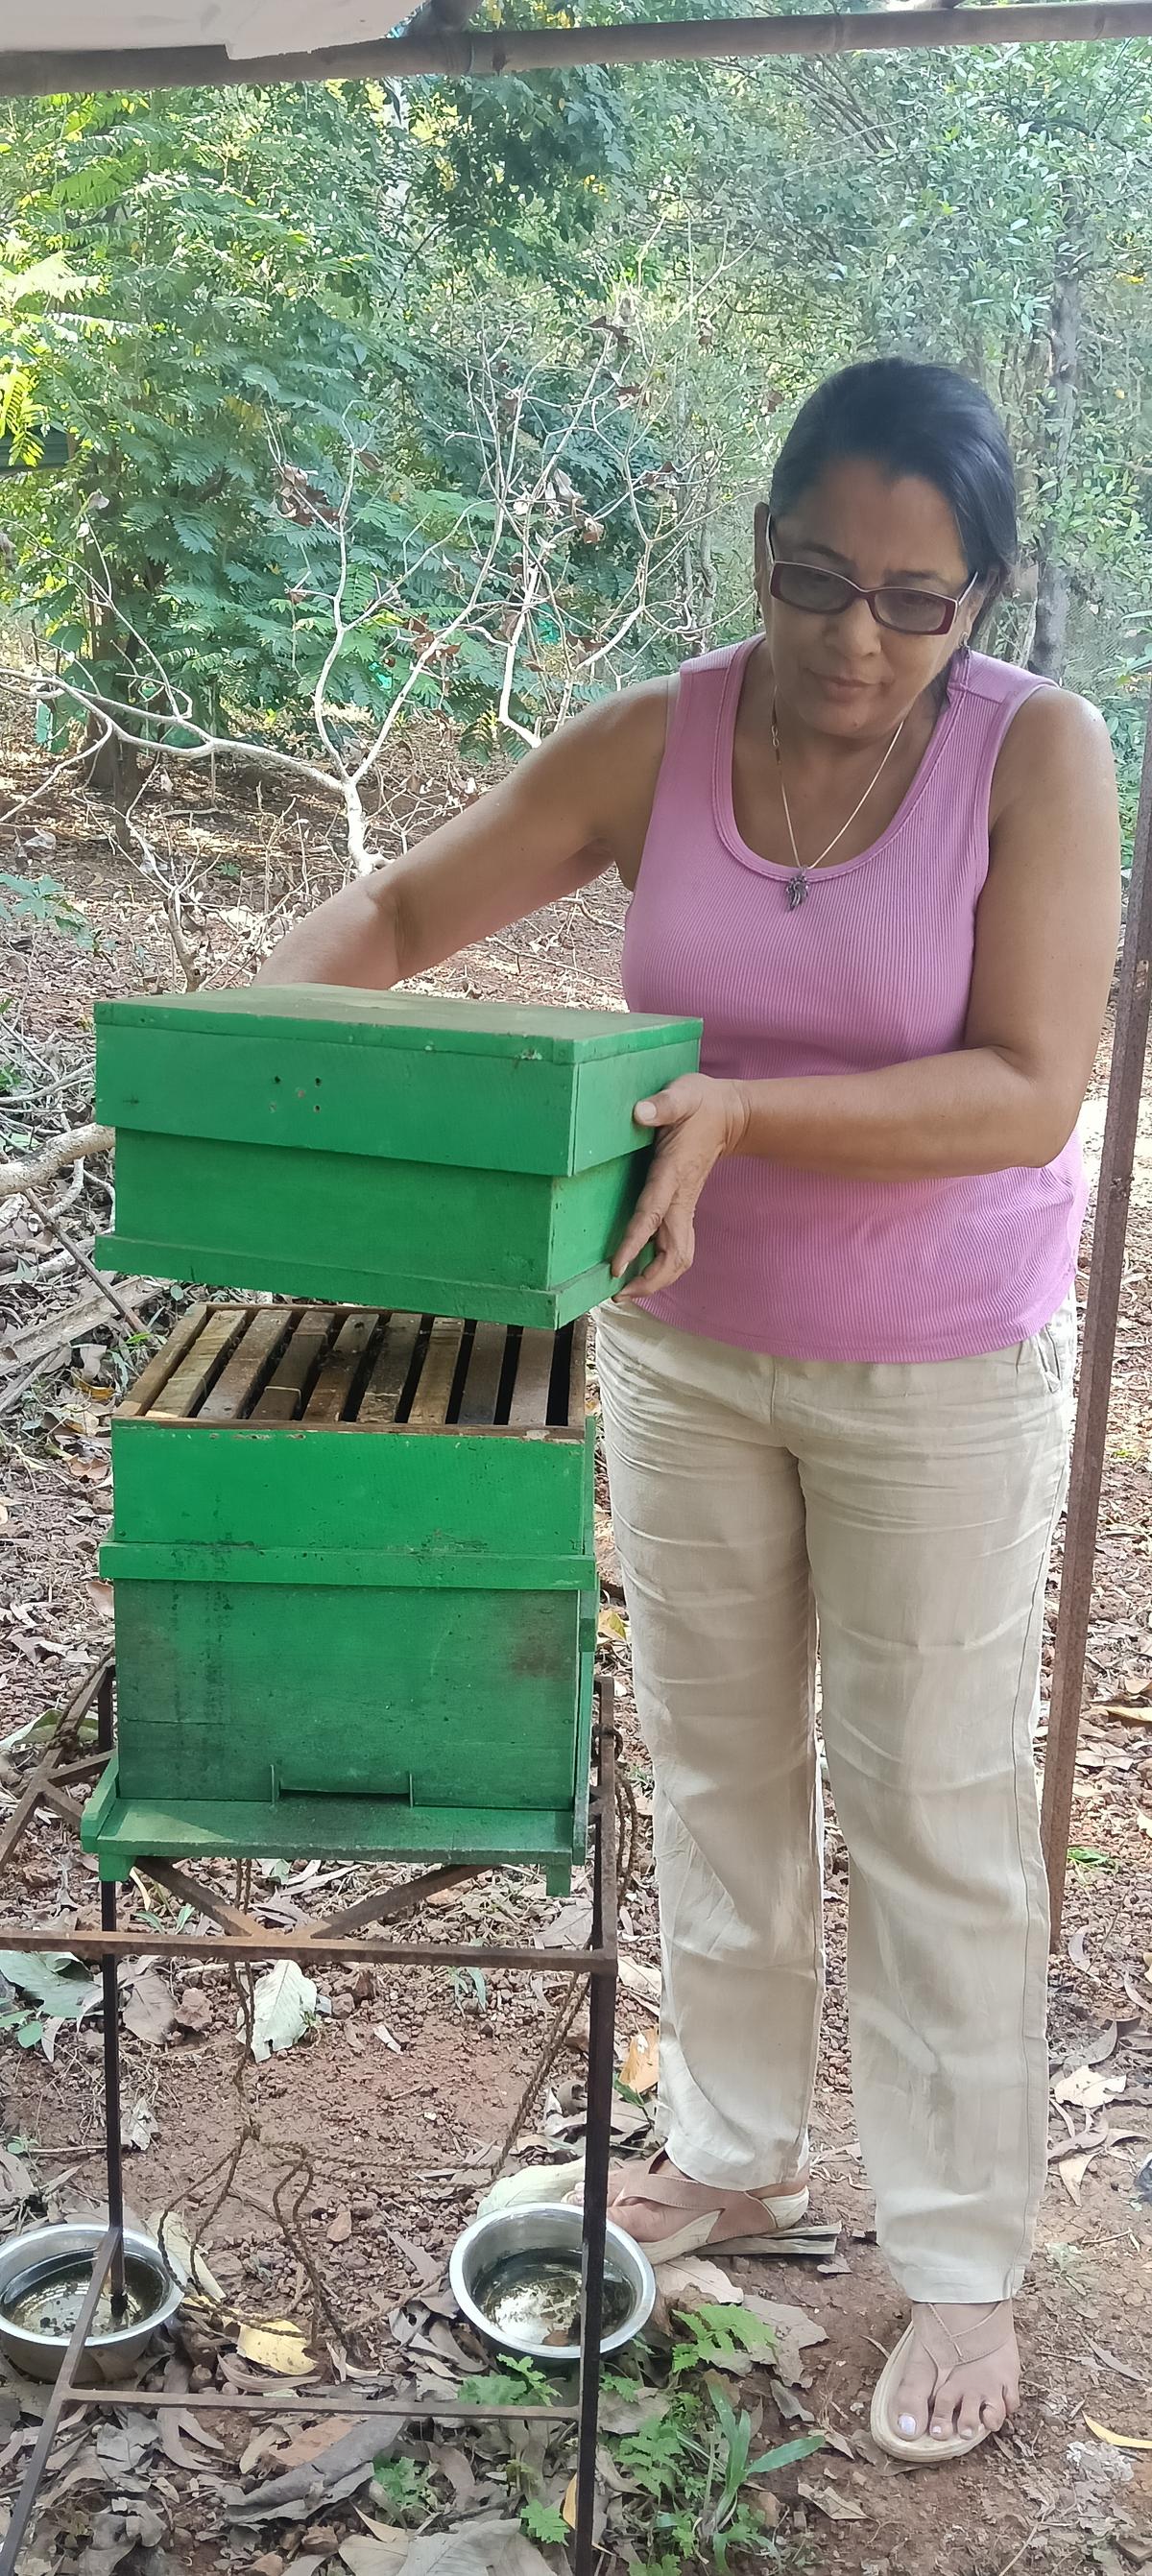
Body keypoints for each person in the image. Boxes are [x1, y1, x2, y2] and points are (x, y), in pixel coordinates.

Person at [255, 357, 1120, 2463]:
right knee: (717, 1762)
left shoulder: (1040, 758)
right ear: (760, 546)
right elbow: (392, 910)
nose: (855, 637)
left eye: (917, 601)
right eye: (817, 576)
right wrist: (249, 1054)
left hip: (937, 1369)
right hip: (679, 1340)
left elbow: (1032, 1082)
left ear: (984, 601)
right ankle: (735, 2144)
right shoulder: (663, 732)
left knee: (928, 1796)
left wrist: (747, 1103)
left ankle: (961, 2251)